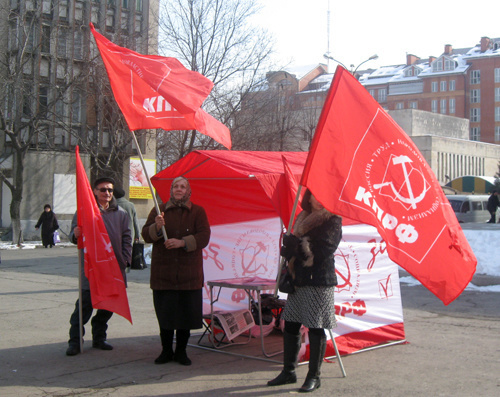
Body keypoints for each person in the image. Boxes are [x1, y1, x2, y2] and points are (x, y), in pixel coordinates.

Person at [267, 189, 342, 393]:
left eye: (323, 196)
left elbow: (323, 250)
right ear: (308, 197)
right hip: (299, 281)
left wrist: (297, 246)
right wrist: (288, 249)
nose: (319, 201)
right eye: (315, 195)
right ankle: (289, 372)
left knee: (316, 327)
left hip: (319, 281)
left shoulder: (333, 219)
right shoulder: (302, 217)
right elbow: (297, 250)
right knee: (290, 326)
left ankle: (314, 377)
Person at [142, 176, 210, 366]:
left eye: (182, 186)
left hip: (189, 275)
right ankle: (166, 351)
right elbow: (146, 235)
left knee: (184, 317)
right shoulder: (158, 211)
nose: (179, 189)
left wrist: (182, 242)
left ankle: (181, 352)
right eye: (175, 186)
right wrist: (156, 226)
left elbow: (204, 236)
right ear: (171, 190)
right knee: (165, 315)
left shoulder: (198, 211)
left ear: (189, 191)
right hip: (164, 274)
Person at [66, 176, 132, 356]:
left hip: (113, 269)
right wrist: (75, 234)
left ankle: (99, 337)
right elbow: (73, 235)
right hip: (92, 269)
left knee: (107, 307)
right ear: (95, 191)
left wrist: (125, 260)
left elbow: (127, 238)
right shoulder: (84, 211)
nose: (107, 193)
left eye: (110, 190)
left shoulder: (121, 214)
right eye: (103, 190)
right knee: (83, 307)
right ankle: (75, 341)